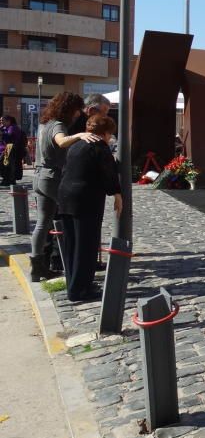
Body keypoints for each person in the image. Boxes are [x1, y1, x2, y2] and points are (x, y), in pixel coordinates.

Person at [29, 93, 100, 282]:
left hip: (39, 177)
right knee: (74, 218)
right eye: (77, 111)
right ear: (69, 108)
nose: (78, 115)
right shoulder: (58, 125)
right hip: (53, 178)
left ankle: (37, 268)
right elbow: (61, 141)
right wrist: (79, 135)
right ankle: (72, 262)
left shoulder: (44, 124)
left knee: (43, 223)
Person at [57, 115, 122, 301]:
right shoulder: (99, 147)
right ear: (106, 132)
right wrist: (117, 194)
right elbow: (108, 175)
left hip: (65, 196)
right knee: (86, 245)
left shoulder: (76, 145)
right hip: (86, 199)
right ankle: (80, 289)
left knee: (72, 243)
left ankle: (72, 284)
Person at [0, 115, 26, 186]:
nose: (1, 122)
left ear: (8, 121)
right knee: (7, 165)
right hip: (6, 150)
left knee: (6, 165)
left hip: (10, 150)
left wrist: (2, 133)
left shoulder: (12, 128)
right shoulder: (5, 128)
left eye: (3, 120)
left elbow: (9, 138)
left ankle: (8, 180)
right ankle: (9, 180)